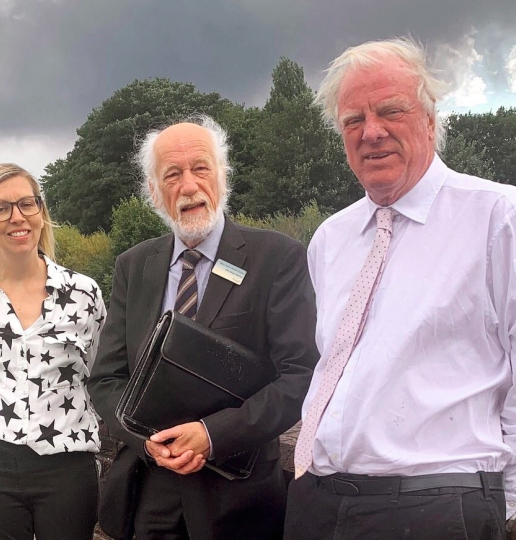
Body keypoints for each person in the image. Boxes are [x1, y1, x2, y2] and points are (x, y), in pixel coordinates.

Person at [285, 38, 516, 540]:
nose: (371, 132)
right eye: (353, 120)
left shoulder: (505, 218)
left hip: (437, 507)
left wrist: (488, 503)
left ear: (429, 117)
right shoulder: (330, 238)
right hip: (315, 502)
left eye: (390, 110)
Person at [88, 115, 319, 540]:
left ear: (223, 176)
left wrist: (213, 435)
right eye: (172, 175)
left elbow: (300, 375)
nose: (189, 185)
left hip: (240, 498)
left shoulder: (278, 258)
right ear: (155, 193)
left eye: (200, 168)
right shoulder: (133, 266)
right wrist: (147, 440)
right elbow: (105, 379)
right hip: (151, 492)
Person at [0, 163, 106, 540]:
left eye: (27, 204)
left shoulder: (83, 293)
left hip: (67, 464)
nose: (18, 217)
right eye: (1, 208)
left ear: (41, 213)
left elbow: (99, 373)